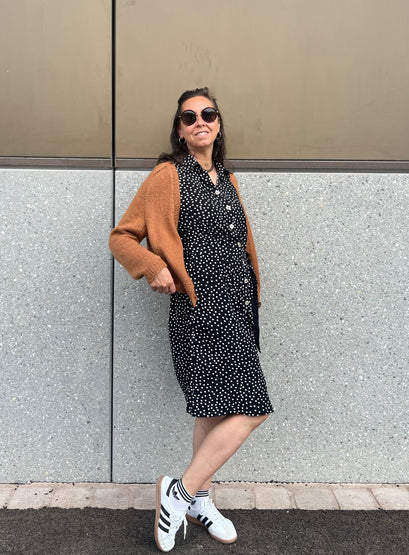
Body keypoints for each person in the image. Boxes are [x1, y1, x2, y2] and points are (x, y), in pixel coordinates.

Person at [109, 87, 273, 553]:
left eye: (208, 113)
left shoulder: (228, 178)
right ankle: (178, 495)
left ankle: (197, 499)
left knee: (213, 410)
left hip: (238, 308)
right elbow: (122, 237)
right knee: (253, 408)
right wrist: (152, 266)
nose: (200, 121)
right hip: (200, 309)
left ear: (218, 124)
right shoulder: (168, 175)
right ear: (180, 130)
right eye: (189, 116)